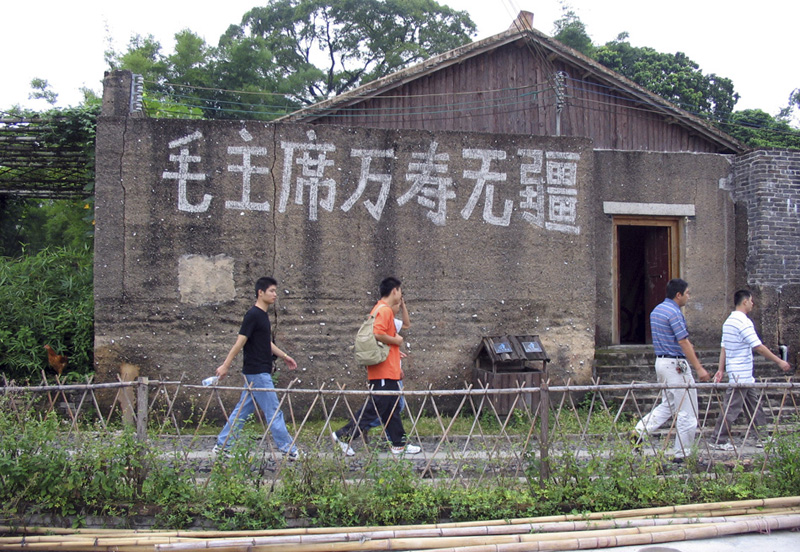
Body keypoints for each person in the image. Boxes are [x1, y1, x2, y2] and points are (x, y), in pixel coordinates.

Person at [213, 276, 300, 460]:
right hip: (258, 372)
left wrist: (285, 356)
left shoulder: (262, 316)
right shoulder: (253, 315)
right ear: (261, 293)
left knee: (242, 410)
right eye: (272, 291)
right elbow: (240, 342)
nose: (275, 294)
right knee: (274, 411)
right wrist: (225, 365)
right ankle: (289, 449)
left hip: (257, 371)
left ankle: (222, 445)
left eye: (275, 291)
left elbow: (265, 343)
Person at [332, 277, 421, 456]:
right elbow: (378, 333)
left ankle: (399, 444)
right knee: (375, 409)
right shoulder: (384, 310)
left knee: (391, 409)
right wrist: (397, 340)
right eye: (400, 291)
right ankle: (343, 436)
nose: (401, 295)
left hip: (389, 371)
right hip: (383, 372)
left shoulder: (382, 309)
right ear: (394, 291)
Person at [633, 278, 711, 462]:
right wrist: (699, 368)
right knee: (687, 410)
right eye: (687, 293)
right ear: (679, 295)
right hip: (675, 364)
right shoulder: (674, 313)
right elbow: (683, 341)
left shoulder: (657, 310)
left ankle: (638, 432)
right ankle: (682, 454)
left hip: (661, 361)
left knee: (668, 405)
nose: (688, 297)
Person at [710, 290, 791, 450]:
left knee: (754, 405)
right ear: (745, 301)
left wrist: (721, 369)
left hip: (741, 372)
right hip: (740, 373)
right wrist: (779, 361)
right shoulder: (743, 322)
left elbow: (724, 348)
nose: (753, 304)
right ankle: (718, 438)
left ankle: (761, 436)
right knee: (732, 407)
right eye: (751, 301)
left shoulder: (728, 322)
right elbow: (758, 347)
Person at [364, 298, 410, 440]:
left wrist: (403, 306)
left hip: (392, 370)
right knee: (392, 407)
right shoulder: (380, 320)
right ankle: (363, 425)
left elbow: (406, 325)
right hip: (387, 372)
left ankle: (396, 441)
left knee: (393, 407)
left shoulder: (391, 322)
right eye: (396, 304)